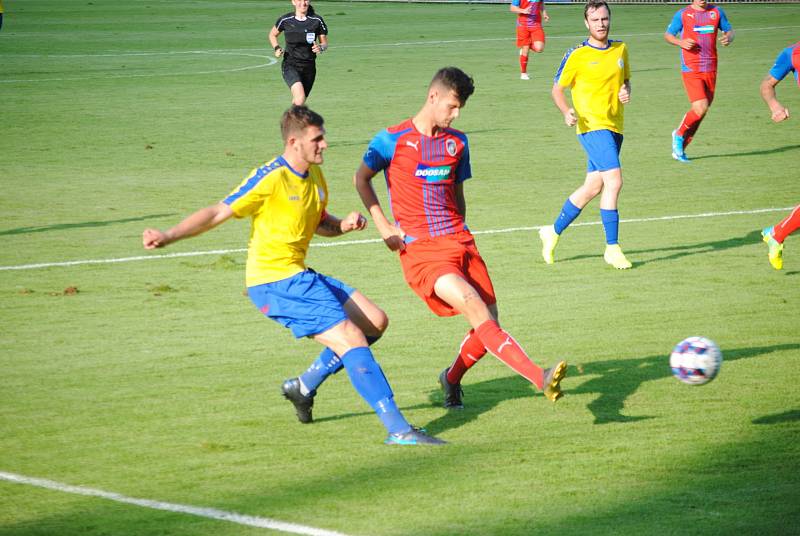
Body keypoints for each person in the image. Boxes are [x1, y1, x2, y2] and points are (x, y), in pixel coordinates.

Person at [142, 106, 443, 446]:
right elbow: (216, 213)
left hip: (298, 276)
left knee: (374, 321)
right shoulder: (271, 177)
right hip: (273, 282)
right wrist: (169, 235)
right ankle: (399, 430)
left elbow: (317, 223)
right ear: (293, 141)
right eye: (317, 138)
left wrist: (342, 225)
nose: (325, 144)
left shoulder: (315, 176)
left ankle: (302, 387)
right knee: (351, 338)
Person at [354, 67, 567, 410]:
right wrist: (383, 226)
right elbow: (361, 179)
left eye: (460, 110)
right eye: (451, 106)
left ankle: (451, 378)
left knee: (488, 326)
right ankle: (539, 376)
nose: (455, 115)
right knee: (472, 304)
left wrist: (461, 234)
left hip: (459, 241)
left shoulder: (458, 143)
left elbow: (458, 193)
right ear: (433, 96)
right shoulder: (391, 140)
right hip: (421, 250)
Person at [539, 0, 633, 270]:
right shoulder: (577, 54)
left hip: (615, 126)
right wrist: (566, 111)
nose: (601, 24)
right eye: (595, 20)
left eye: (604, 19)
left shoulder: (621, 49)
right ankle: (612, 247)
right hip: (591, 126)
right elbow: (557, 89)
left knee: (593, 187)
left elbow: (625, 80)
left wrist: (626, 90)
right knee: (614, 181)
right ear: (586, 23)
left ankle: (552, 231)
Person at [664, 0, 734, 163]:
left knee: (702, 111)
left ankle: (681, 150)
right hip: (691, 67)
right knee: (700, 107)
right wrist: (681, 42)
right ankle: (679, 134)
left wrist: (728, 37)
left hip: (710, 68)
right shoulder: (682, 14)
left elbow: (730, 31)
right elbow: (668, 35)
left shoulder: (717, 12)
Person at [760, 41, 800, 270]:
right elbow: (766, 85)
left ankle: (777, 232)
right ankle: (777, 233)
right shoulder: (792, 53)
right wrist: (775, 106)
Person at [268, 0, 328, 106]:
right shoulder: (285, 20)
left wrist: (320, 48)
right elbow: (272, 35)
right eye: (299, 0)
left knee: (298, 102)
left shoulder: (317, 20)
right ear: (293, 2)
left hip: (309, 67)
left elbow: (324, 43)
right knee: (299, 98)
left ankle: (291, 121)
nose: (303, 3)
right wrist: (277, 48)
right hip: (290, 64)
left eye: (305, 0)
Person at [510, 0, 549, 80]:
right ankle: (523, 73)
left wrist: (544, 13)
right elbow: (512, 8)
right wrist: (523, 10)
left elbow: (541, 3)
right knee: (525, 48)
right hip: (522, 26)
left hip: (536, 25)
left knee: (539, 49)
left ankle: (526, 44)